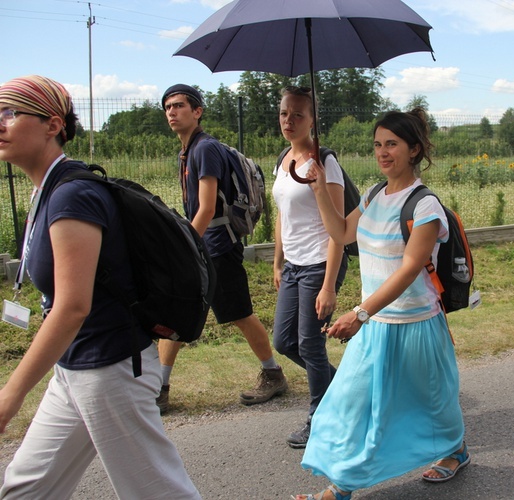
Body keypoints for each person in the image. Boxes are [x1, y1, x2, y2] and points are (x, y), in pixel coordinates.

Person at [0, 75, 201, 498]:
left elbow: (72, 307)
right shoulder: (49, 190)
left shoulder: (72, 195)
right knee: (25, 489)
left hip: (110, 371)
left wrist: (11, 395)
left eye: (10, 113)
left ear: (53, 125)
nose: (0, 124)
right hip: (75, 368)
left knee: (159, 494)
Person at [294, 109, 468, 500]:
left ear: (414, 150)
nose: (383, 152)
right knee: (349, 403)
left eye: (392, 144)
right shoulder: (373, 194)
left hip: (415, 323)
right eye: (378, 144)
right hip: (375, 324)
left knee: (433, 398)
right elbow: (339, 232)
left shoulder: (425, 206)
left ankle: (455, 449)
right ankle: (341, 486)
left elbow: (409, 269)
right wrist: (320, 188)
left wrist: (359, 313)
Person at [160, 84, 286, 413]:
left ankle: (273, 373)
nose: (172, 112)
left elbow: (204, 209)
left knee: (240, 313)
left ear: (197, 111)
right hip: (204, 246)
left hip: (216, 247)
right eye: (168, 107)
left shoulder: (204, 150)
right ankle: (158, 387)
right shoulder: (187, 151)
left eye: (179, 106)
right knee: (174, 314)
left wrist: (184, 249)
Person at [271, 85, 348, 448]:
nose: (289, 120)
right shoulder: (284, 158)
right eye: (285, 113)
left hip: (320, 263)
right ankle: (346, 386)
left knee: (310, 344)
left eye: (298, 114)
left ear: (313, 119)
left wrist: (329, 285)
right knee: (284, 341)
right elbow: (282, 214)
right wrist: (277, 260)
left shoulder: (324, 162)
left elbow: (338, 227)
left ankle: (321, 418)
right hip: (293, 265)